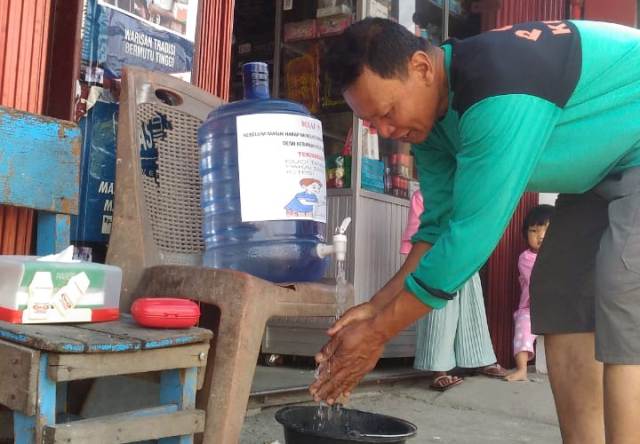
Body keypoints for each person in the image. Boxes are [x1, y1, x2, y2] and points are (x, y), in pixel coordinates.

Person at [309, 17, 640, 444]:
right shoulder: (431, 123)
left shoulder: (497, 87)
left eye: (388, 112)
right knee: (559, 294)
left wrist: (377, 335)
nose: (387, 132)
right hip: (601, 170)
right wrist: (375, 307)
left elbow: (469, 238)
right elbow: (437, 226)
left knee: (623, 291)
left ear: (422, 68)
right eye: (374, 123)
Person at [402, 190, 505, 390]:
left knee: (472, 307)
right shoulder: (422, 196)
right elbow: (416, 235)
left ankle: (479, 359)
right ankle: (439, 369)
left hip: (464, 255)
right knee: (439, 312)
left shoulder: (466, 193)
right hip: (435, 258)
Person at [505, 204, 554, 382]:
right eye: (534, 231)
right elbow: (540, 279)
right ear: (526, 234)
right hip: (531, 308)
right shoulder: (526, 258)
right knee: (523, 327)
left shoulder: (562, 255)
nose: (540, 236)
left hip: (557, 308)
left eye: (547, 230)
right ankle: (522, 369)